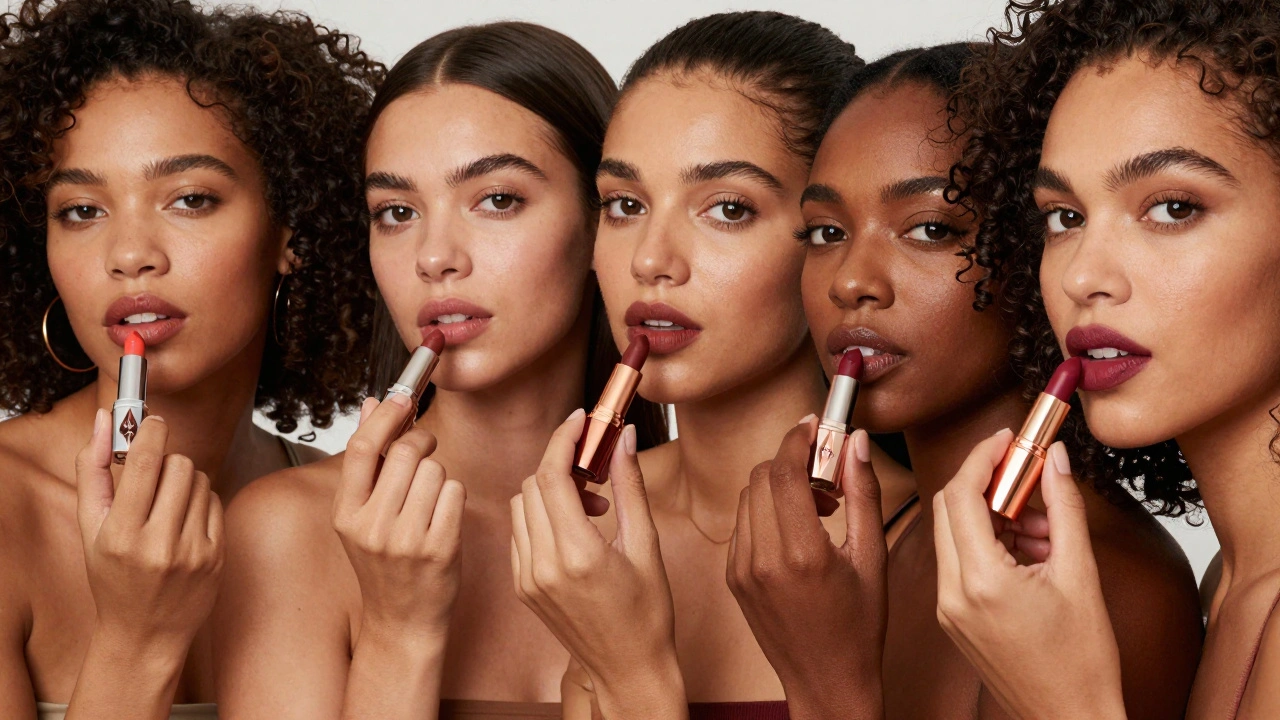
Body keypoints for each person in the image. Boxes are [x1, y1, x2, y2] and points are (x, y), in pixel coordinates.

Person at [728, 43, 1203, 720]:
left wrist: (827, 684)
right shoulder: (890, 539)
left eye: (927, 228)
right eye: (826, 231)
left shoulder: (1108, 586)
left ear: (1032, 246)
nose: (851, 281)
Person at [215, 22, 664, 719]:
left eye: (497, 199)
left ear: (602, 222)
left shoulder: (702, 535)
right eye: (396, 212)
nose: (434, 255)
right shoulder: (289, 533)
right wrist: (399, 633)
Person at [510, 12, 914, 717]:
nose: (650, 260)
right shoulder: (579, 539)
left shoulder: (928, 552)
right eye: (625, 204)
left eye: (727, 209)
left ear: (830, 236)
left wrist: (632, 674)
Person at [0, 0, 381, 718]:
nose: (131, 254)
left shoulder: (344, 516)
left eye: (190, 199)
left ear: (290, 232)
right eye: (81, 210)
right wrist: (136, 640)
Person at [932, 1, 1280, 717]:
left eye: (1174, 208)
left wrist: (1065, 701)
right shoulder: (1230, 582)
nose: (1082, 274)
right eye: (1065, 217)